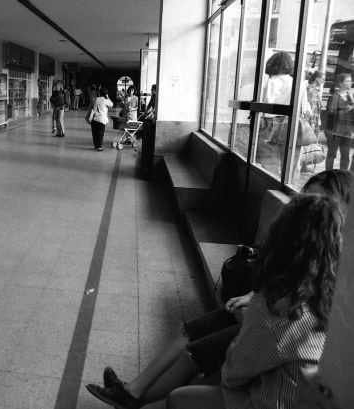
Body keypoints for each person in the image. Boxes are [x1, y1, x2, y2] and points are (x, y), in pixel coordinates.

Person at [87, 193, 344, 409]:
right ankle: (133, 393)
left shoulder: (276, 309)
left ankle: (135, 398)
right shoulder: (330, 299)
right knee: (195, 333)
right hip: (296, 395)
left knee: (181, 397)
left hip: (267, 400)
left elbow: (232, 377)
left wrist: (244, 333)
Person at [257, 52, 311, 184]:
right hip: (293, 123)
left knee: (270, 162)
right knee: (292, 162)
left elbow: (262, 105)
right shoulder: (299, 84)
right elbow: (304, 108)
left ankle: (271, 188)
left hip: (271, 123)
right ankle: (289, 189)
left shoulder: (267, 83)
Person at [326, 73, 354, 170]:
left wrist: (352, 101)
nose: (351, 82)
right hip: (335, 131)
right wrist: (345, 109)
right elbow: (331, 113)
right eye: (348, 81)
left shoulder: (351, 97)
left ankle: (343, 177)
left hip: (348, 132)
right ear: (341, 83)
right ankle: (329, 176)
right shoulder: (335, 96)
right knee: (332, 155)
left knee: (345, 156)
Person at [90, 87, 114, 151]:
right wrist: (108, 97)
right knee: (100, 134)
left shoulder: (96, 99)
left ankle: (96, 146)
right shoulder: (106, 100)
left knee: (95, 133)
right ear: (106, 94)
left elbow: (92, 106)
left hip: (94, 118)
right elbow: (111, 105)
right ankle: (99, 147)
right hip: (101, 119)